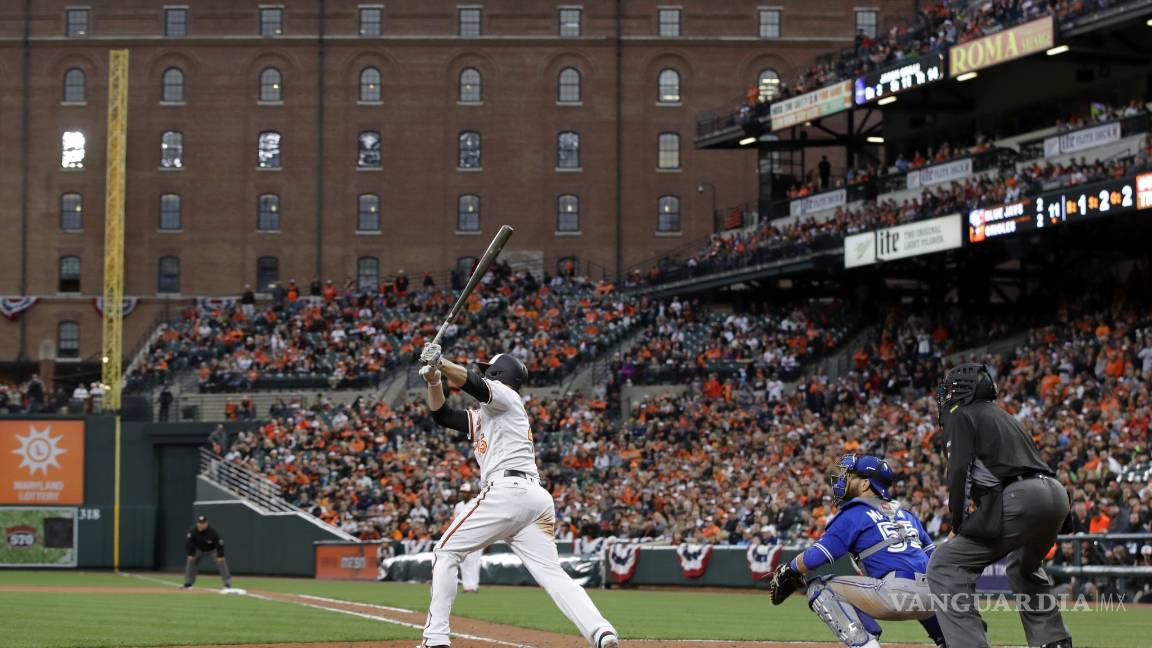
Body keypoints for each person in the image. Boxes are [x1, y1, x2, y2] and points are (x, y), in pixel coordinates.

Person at [416, 344, 619, 648]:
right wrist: (434, 381)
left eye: (490, 371)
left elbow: (473, 383)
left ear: (499, 374)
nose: (486, 374)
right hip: (533, 498)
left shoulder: (506, 396)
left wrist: (441, 363)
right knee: (551, 573)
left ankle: (435, 639)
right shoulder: (488, 414)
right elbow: (442, 416)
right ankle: (601, 631)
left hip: (507, 491)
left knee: (445, 552)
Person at [927, 363, 1072, 648]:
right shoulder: (1004, 415)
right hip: (1055, 493)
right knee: (1024, 568)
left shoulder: (960, 414)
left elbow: (959, 472)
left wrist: (958, 524)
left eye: (949, 391)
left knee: (945, 565)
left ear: (962, 391)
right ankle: (1054, 641)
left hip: (1020, 496)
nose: (946, 398)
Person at [769, 454, 946, 648]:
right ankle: (946, 640)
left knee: (819, 587)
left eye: (850, 476)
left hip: (894, 594)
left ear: (865, 484)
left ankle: (865, 644)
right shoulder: (907, 515)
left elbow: (815, 558)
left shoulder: (855, 512)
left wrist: (790, 568)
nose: (843, 480)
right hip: (932, 599)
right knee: (921, 584)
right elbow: (935, 561)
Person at [182, 515, 232, 590]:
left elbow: (220, 543)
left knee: (221, 562)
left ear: (206, 523)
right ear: (197, 523)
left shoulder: (212, 532)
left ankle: (227, 584)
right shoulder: (193, 531)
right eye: (199, 523)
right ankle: (188, 583)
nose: (201, 525)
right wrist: (190, 554)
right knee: (190, 561)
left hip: (212, 550)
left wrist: (220, 555)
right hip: (199, 549)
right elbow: (189, 543)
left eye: (203, 523)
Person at [453, 483, 482, 593]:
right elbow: (454, 522)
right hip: (461, 537)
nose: (462, 494)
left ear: (470, 493)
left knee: (474, 561)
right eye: (461, 491)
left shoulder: (476, 503)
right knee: (464, 562)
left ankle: (474, 586)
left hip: (475, 536)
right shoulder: (458, 506)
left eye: (464, 492)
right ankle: (467, 586)